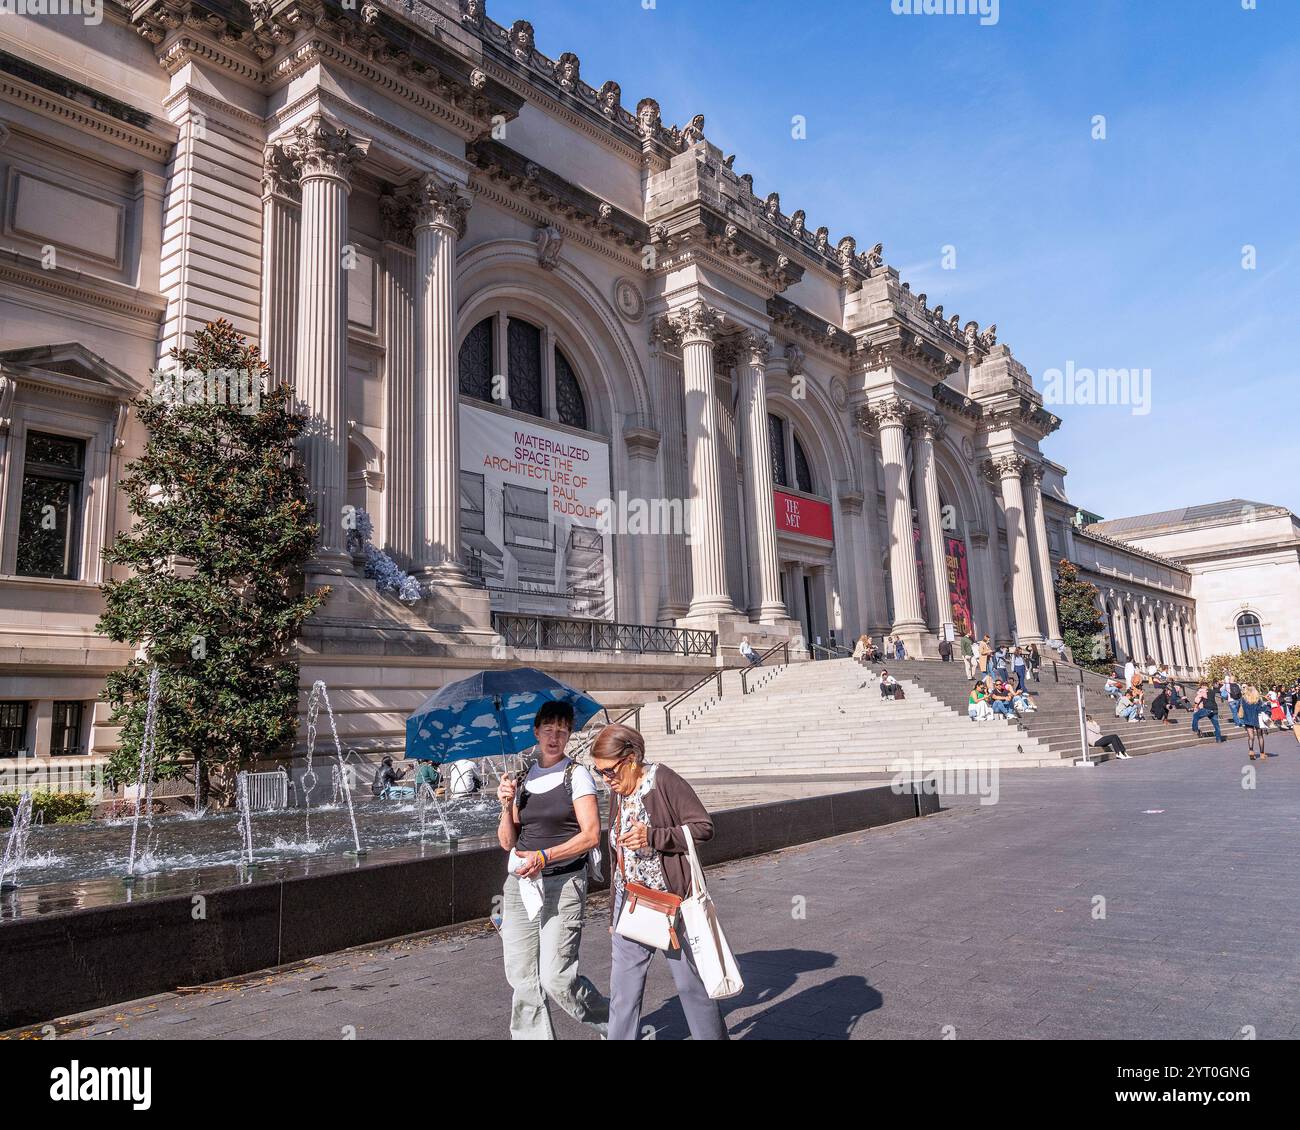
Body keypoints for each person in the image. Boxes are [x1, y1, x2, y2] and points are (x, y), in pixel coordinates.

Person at [591, 724, 727, 1041]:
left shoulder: (663, 780)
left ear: (632, 758)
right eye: (600, 773)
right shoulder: (617, 793)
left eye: (609, 771)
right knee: (623, 993)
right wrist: (614, 911)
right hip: (631, 904)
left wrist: (653, 837)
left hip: (672, 904)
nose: (606, 780)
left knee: (691, 988)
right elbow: (617, 857)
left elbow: (703, 827)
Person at [495, 701, 609, 1040]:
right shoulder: (522, 777)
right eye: (549, 729)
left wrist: (546, 856)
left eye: (563, 730)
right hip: (519, 886)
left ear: (569, 734)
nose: (555, 736)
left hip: (563, 883)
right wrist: (504, 806)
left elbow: (590, 836)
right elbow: (507, 842)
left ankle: (618, 1025)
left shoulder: (578, 775)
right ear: (536, 731)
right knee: (523, 978)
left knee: (556, 977)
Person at [1241, 686, 1267, 760]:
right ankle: (1262, 754)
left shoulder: (1244, 699)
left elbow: (1242, 708)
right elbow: (1261, 709)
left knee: (1250, 737)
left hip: (1247, 719)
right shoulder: (1258, 699)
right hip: (1257, 719)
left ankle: (1251, 751)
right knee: (1260, 736)